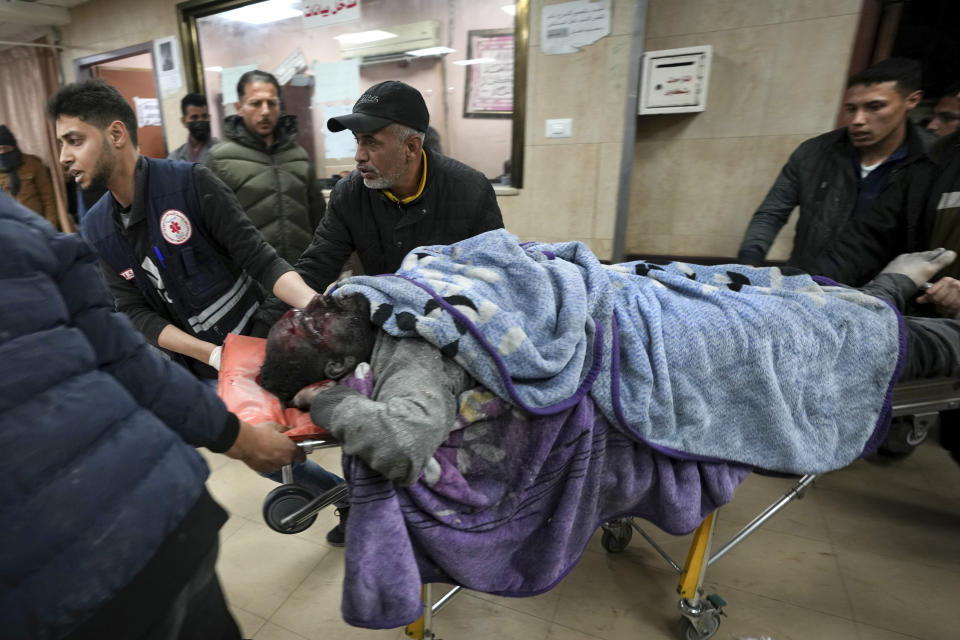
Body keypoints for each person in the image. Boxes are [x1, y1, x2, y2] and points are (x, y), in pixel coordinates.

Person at [260, 246, 960, 487]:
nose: (316, 315)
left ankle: (893, 294)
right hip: (654, 339)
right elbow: (404, 444)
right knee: (812, 339)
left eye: (307, 312)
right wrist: (327, 406)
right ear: (336, 362)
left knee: (789, 306)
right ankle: (912, 315)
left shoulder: (380, 288)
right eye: (311, 334)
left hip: (626, 293)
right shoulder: (406, 351)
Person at [0, 189, 303, 639]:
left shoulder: (185, 185)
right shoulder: (31, 225)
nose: (66, 158)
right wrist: (246, 439)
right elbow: (129, 350)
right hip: (170, 520)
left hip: (65, 592)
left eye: (75, 140)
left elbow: (257, 256)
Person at [283, 80, 503, 296]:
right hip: (383, 322)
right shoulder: (350, 194)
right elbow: (316, 268)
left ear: (411, 147)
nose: (359, 156)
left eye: (371, 142)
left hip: (452, 320)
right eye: (357, 140)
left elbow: (497, 276)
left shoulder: (471, 190)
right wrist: (267, 328)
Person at [737, 58, 933, 279]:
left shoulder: (933, 159)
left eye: (875, 107)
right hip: (812, 287)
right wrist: (749, 262)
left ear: (912, 100)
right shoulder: (814, 153)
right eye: (851, 109)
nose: (858, 120)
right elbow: (772, 212)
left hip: (889, 295)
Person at [205, 70, 324, 264]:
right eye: (256, 103)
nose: (266, 111)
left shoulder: (298, 156)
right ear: (239, 107)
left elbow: (320, 218)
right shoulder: (219, 160)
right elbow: (208, 227)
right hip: (251, 277)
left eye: (271, 103)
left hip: (302, 275)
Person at [0, 124, 59, 227]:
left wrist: (50, 228)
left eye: (5, 148)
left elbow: (49, 200)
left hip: (37, 225)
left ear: (13, 147)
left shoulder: (33, 164)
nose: (2, 153)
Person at [168, 92, 219, 163]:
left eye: (204, 116)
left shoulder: (222, 151)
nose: (200, 121)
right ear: (184, 122)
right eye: (194, 117)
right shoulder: (174, 158)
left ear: (209, 117)